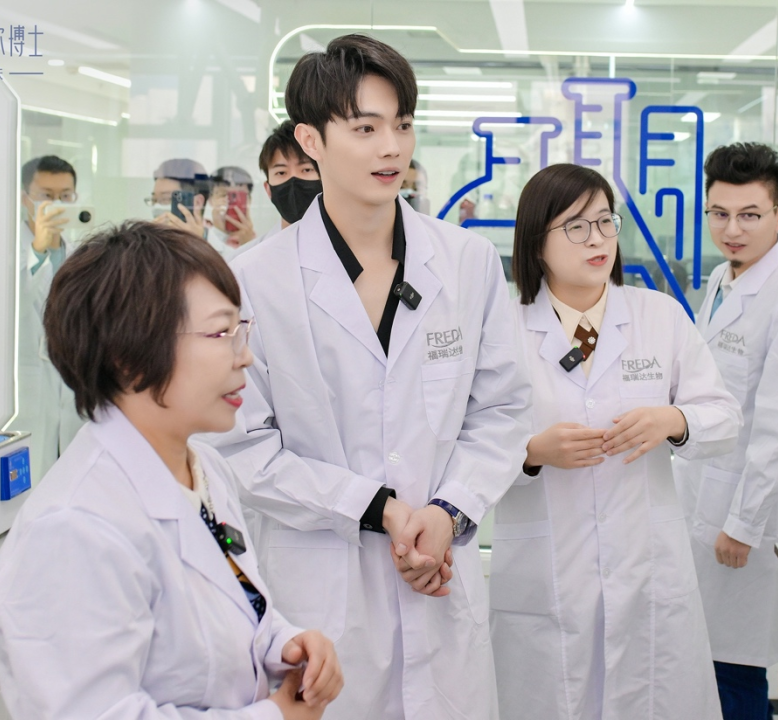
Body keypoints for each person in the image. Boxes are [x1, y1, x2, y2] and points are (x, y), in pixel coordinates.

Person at [208, 34, 531, 719]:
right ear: (311, 141)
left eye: (402, 125)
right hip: (321, 597)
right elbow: (240, 447)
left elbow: (503, 411)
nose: (392, 148)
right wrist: (374, 508)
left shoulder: (467, 262)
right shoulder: (254, 281)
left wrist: (447, 511)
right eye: (365, 129)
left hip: (440, 581)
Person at [0, 220, 344, 719]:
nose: (245, 357)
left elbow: (232, 600)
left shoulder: (203, 470)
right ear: (128, 358)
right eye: (221, 333)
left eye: (241, 330)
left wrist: (283, 645)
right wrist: (276, 716)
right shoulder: (74, 529)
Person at [493, 163, 741, 719]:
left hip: (646, 569)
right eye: (576, 226)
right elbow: (466, 445)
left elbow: (725, 418)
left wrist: (673, 419)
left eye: (606, 221)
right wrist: (532, 454)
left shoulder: (659, 316)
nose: (598, 239)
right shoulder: (503, 331)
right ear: (536, 242)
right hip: (548, 572)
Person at [673, 143, 778, 720]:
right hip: (702, 494)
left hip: (745, 517)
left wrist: (742, 525)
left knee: (735, 669)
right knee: (700, 657)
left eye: (750, 215)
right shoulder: (723, 276)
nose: (732, 229)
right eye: (719, 214)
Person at [11, 155, 86, 480]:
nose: (56, 204)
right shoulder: (9, 251)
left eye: (65, 196)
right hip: (26, 395)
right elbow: (13, 305)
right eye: (46, 196)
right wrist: (38, 251)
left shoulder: (82, 254)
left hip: (71, 397)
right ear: (24, 198)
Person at [234, 121, 323, 258]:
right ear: (268, 189)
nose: (293, 180)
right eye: (281, 172)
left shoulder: (352, 252)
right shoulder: (243, 261)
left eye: (306, 169)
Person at [150, 157, 211, 238]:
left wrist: (195, 241)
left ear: (197, 203)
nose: (157, 207)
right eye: (154, 200)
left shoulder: (218, 244)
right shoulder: (147, 241)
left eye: (165, 199)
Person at [208, 165, 257, 258]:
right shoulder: (201, 235)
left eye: (239, 196)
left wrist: (248, 244)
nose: (230, 202)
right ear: (210, 200)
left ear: (249, 200)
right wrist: (219, 233)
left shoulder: (262, 242)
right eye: (223, 195)